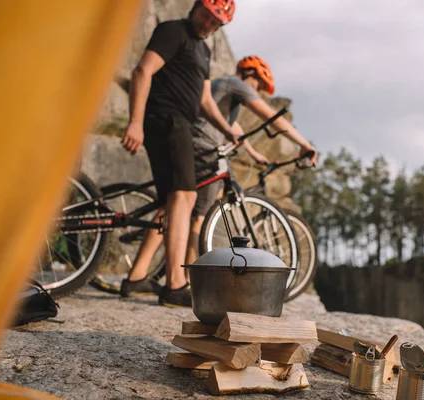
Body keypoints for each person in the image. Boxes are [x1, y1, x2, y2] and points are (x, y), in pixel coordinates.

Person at [121, 55, 319, 305]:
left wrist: (255, 154)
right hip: (201, 147)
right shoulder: (236, 84)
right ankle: (179, 281)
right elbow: (269, 116)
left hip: (201, 146)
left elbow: (233, 130)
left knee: (184, 210)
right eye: (258, 86)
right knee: (189, 213)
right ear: (251, 75)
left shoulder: (224, 91)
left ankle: (150, 276)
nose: (256, 92)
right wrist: (304, 144)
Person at [120, 0, 239, 307]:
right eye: (206, 16)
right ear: (196, 7)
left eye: (216, 23)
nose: (208, 25)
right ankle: (175, 284)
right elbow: (142, 72)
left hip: (180, 121)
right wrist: (135, 121)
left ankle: (138, 277)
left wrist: (228, 130)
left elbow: (205, 100)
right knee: (185, 197)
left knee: (173, 200)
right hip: (168, 119)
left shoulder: (204, 50)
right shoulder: (173, 31)